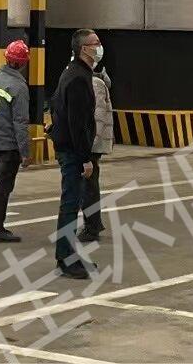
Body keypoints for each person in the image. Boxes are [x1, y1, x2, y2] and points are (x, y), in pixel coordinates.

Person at [48, 28, 101, 278]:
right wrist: (85, 159)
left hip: (68, 147)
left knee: (72, 203)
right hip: (72, 151)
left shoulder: (73, 72)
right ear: (84, 49)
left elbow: (56, 104)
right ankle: (66, 259)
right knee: (70, 205)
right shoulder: (78, 77)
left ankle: (68, 255)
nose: (99, 46)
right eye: (95, 43)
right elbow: (78, 123)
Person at [0, 39, 31, 243]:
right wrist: (25, 152)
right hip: (9, 146)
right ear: (23, 63)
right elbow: (20, 122)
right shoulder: (18, 87)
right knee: (3, 187)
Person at [80, 54, 114, 244]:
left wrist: (88, 146)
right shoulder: (93, 82)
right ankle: (92, 224)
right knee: (88, 185)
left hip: (90, 145)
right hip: (88, 143)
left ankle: (92, 227)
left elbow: (97, 118)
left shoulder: (95, 84)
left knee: (89, 187)